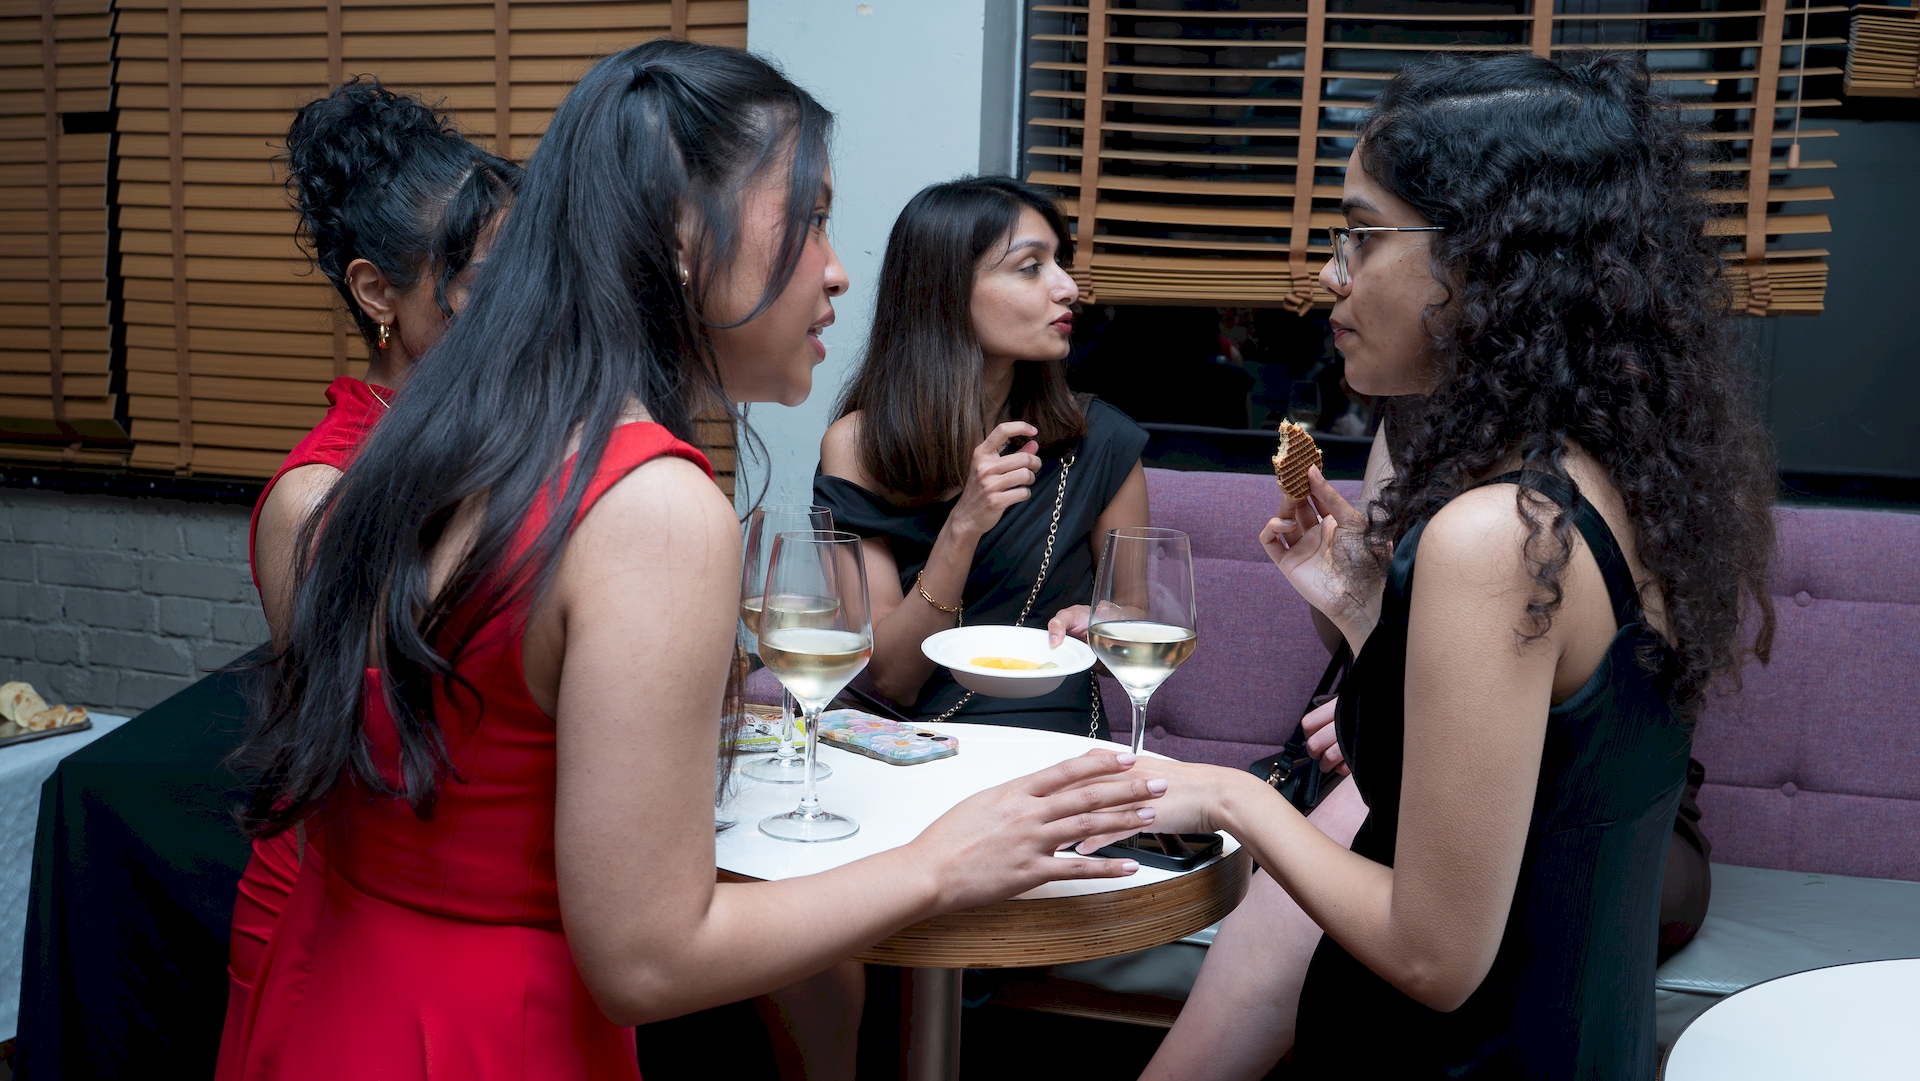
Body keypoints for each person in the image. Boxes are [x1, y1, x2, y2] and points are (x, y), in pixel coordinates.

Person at [218, 41, 1163, 1081]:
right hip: (492, 1033)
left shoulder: (434, 439)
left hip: (335, 1000)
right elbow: (649, 957)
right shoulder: (649, 503)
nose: (838, 268)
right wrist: (940, 864)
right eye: (809, 220)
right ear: (678, 238)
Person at [1122, 51, 1777, 1079]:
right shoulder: (1611, 482)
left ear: (1485, 260)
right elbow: (1550, 773)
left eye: (1361, 234)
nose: (1331, 275)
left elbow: (1433, 954)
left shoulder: (1495, 535)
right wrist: (1363, 607)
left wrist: (1231, 800)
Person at [220, 78, 521, 1074]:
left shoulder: (497, 448)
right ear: (376, 292)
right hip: (343, 919)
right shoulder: (321, 497)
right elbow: (374, 758)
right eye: (481, 281)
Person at [817, 175, 1150, 736]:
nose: (1068, 288)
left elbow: (1139, 620)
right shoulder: (857, 446)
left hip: (1056, 742)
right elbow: (894, 678)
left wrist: (1105, 626)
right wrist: (964, 525)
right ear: (947, 291)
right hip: (915, 749)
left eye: (1061, 263)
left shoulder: (1102, 442)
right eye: (1031, 267)